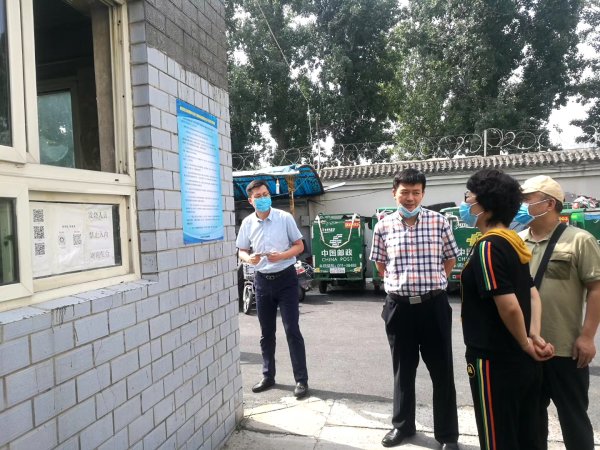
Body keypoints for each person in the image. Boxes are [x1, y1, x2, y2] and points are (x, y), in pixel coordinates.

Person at [459, 169, 554, 450]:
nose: (466, 203)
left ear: (484, 206)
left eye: (469, 197)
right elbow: (533, 294)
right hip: (521, 360)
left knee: (498, 438)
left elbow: (509, 306)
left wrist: (526, 343)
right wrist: (533, 336)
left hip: (495, 361)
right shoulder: (514, 242)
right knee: (527, 434)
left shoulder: (488, 247)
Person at [370, 168, 460, 449]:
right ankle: (402, 426)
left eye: (416, 192)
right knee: (403, 370)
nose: (410, 198)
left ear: (423, 193)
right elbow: (380, 264)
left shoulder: (439, 222)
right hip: (399, 308)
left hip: (434, 306)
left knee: (442, 371)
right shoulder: (383, 226)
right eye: (405, 192)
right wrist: (401, 284)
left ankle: (447, 436)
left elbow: (450, 258)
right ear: (394, 193)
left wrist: (434, 282)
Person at [517, 175, 600, 450]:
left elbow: (596, 289)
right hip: (527, 348)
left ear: (549, 203)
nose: (521, 205)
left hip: (566, 350)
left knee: (574, 420)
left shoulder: (580, 240)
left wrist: (587, 337)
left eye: (527, 199)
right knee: (530, 422)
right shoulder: (517, 242)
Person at [236, 180, 309, 398]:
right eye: (258, 196)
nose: (263, 198)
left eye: (265, 194)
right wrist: (248, 258)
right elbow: (241, 250)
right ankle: (268, 376)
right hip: (262, 281)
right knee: (266, 333)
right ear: (251, 201)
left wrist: (283, 256)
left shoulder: (284, 218)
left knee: (292, 330)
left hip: (286, 279)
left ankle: (301, 380)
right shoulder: (247, 223)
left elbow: (300, 245)